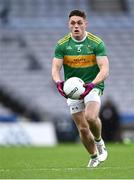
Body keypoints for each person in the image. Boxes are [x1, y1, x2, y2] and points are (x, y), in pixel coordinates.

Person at [52, 10, 109, 168]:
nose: (76, 26)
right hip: (73, 90)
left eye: (79, 23)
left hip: (92, 85)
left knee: (90, 117)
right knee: (83, 129)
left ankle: (99, 142)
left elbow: (104, 69)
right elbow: (55, 68)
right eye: (73, 23)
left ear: (85, 24)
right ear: (68, 25)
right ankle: (93, 156)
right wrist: (58, 83)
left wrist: (92, 85)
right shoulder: (62, 45)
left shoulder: (96, 43)